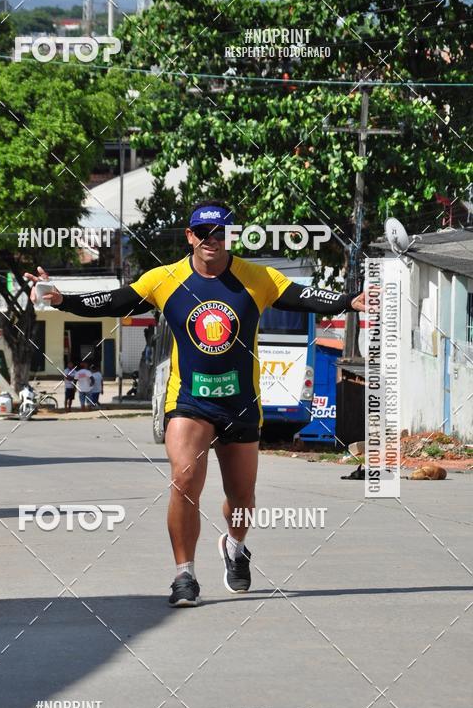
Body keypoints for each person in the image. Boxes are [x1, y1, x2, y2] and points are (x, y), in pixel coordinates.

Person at [24, 200, 368, 607]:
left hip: (240, 403)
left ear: (229, 236)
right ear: (190, 236)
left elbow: (303, 296)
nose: (211, 240)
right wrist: (62, 299)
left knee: (242, 499)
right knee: (184, 480)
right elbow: (114, 301)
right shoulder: (164, 279)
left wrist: (348, 301)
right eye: (203, 233)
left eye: (220, 233)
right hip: (189, 401)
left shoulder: (257, 278)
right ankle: (183, 574)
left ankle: (234, 547)